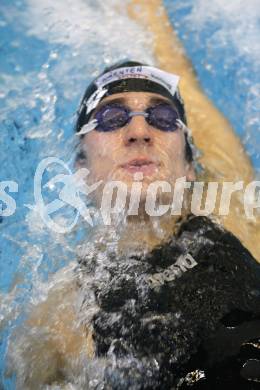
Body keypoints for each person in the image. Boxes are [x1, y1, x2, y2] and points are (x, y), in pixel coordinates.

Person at [7, 61, 260, 389]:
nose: (140, 132)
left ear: (189, 166)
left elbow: (187, 80)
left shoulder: (239, 219)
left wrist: (148, 9)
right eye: (111, 118)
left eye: (163, 118)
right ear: (80, 169)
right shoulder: (57, 314)